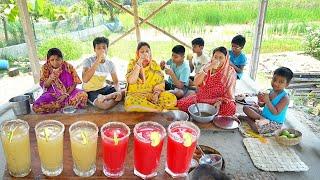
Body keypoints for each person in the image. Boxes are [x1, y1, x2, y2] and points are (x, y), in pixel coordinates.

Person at [177, 46, 236, 116]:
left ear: (226, 59)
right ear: (212, 57)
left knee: (231, 108)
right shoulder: (206, 66)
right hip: (203, 98)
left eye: (221, 58)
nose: (217, 60)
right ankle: (211, 113)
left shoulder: (230, 72)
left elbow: (228, 95)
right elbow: (196, 83)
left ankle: (211, 113)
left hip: (218, 100)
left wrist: (220, 102)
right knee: (182, 105)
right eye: (215, 57)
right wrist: (208, 68)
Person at [125, 42, 177, 112]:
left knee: (171, 98)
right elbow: (131, 80)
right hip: (135, 95)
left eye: (147, 51)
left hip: (151, 94)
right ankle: (158, 110)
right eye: (142, 52)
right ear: (137, 54)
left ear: (150, 53)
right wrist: (139, 63)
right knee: (129, 103)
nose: (145, 54)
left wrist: (156, 95)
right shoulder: (133, 63)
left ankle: (149, 108)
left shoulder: (154, 65)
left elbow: (160, 83)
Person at [33, 48, 88, 114]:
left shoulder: (68, 66)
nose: (55, 62)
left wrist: (65, 94)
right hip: (52, 94)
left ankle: (59, 106)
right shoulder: (45, 68)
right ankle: (63, 106)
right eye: (52, 60)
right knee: (36, 106)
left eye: (57, 59)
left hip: (69, 92)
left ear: (62, 59)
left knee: (83, 95)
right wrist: (50, 78)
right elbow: (45, 85)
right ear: (48, 60)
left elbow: (75, 82)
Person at [243, 67, 293, 134]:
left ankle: (247, 119)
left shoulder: (285, 98)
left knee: (256, 129)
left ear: (287, 84)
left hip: (274, 122)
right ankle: (261, 119)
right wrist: (259, 98)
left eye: (281, 82)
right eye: (274, 79)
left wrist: (267, 101)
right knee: (245, 108)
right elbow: (261, 105)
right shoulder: (270, 91)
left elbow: (275, 112)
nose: (275, 83)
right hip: (263, 115)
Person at [82, 37, 122, 110]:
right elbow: (85, 79)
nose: (102, 50)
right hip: (91, 91)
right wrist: (98, 60)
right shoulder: (88, 61)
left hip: (104, 88)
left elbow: (116, 82)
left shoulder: (110, 64)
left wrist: (119, 92)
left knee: (125, 91)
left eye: (104, 48)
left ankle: (109, 96)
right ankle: (112, 96)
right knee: (105, 105)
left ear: (107, 49)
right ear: (94, 50)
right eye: (98, 48)